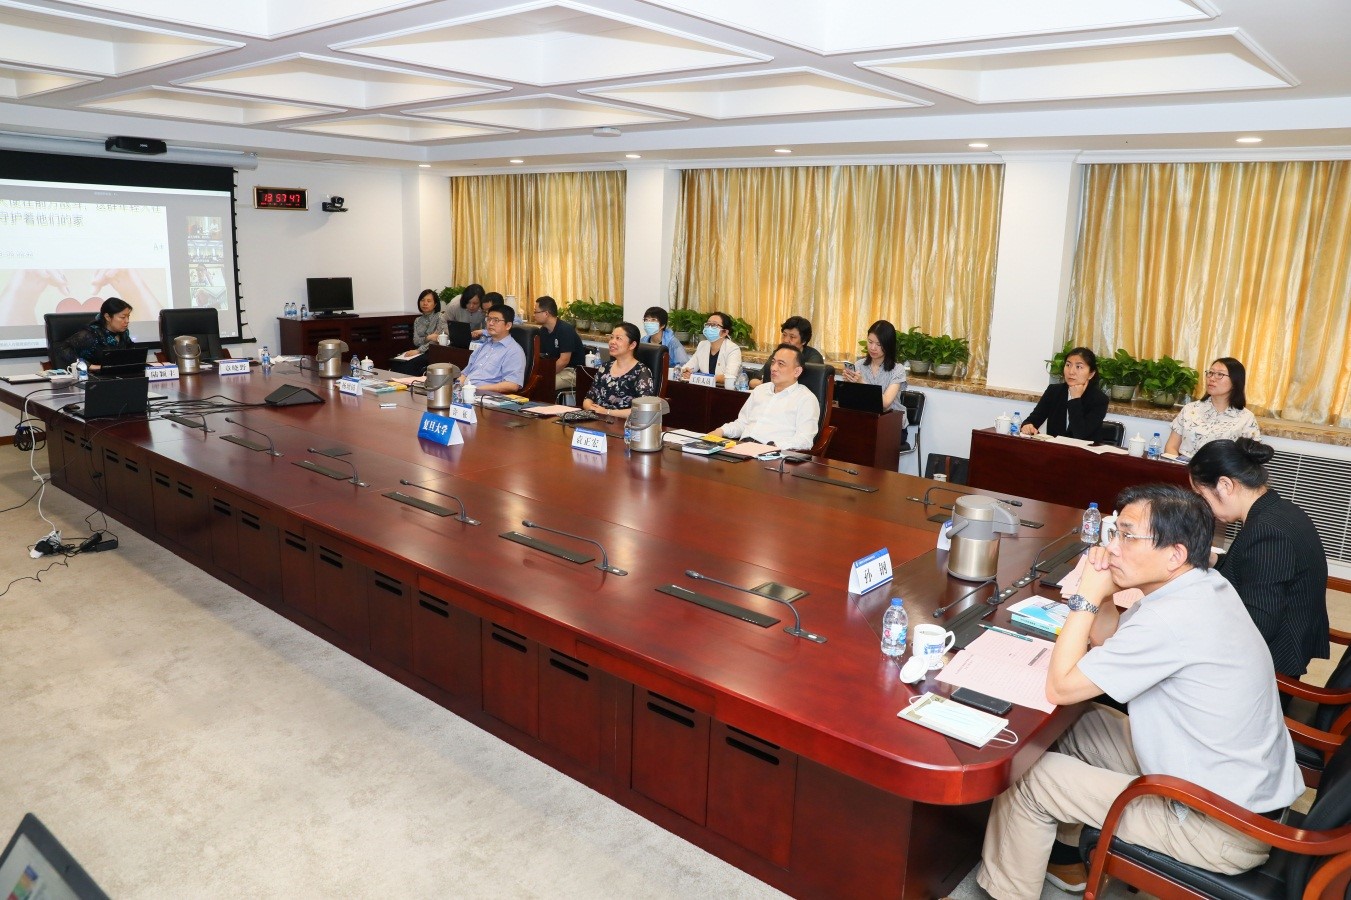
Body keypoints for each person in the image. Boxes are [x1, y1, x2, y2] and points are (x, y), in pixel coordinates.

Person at [973, 483, 1301, 899]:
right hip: (1226, 786)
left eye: (1128, 536)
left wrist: (1086, 598)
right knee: (1078, 724)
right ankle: (1068, 857)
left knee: (1030, 777)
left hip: (1217, 824)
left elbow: (1061, 687)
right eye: (1115, 532)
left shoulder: (1173, 618)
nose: (1112, 547)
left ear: (1174, 554)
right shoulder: (1201, 586)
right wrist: (1106, 598)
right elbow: (1111, 645)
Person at [1188, 438, 1328, 678]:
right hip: (1281, 642)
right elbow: (1251, 570)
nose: (1204, 506)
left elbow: (1258, 624)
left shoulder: (1266, 531)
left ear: (1225, 485)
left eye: (1202, 495)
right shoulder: (1279, 510)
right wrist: (1211, 559)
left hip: (1270, 667)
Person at [709, 344, 820, 450]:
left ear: (797, 371)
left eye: (781, 364)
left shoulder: (806, 399)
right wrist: (721, 431)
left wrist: (774, 446)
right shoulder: (760, 390)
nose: (773, 368)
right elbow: (742, 423)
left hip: (772, 454)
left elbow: (805, 440)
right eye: (773, 362)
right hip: (742, 447)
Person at [1166, 357, 1260, 458]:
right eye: (1210, 373)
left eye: (1220, 374)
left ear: (1235, 381)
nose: (1212, 378)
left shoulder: (1246, 418)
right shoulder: (1190, 409)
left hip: (1223, 468)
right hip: (1184, 466)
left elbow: (1252, 458)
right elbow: (1171, 447)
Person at [1020, 346, 1108, 439]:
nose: (1071, 372)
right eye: (1068, 365)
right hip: (1053, 447)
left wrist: (1075, 399)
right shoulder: (1054, 391)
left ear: (1091, 374)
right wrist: (1027, 426)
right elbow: (1032, 420)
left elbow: (1080, 435)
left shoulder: (1099, 400)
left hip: (1081, 448)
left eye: (1078, 367)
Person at [840, 319, 907, 425]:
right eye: (870, 342)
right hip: (867, 421)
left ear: (888, 345)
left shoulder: (898, 370)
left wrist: (861, 382)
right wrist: (848, 384)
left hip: (891, 424)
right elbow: (853, 401)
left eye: (878, 344)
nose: (872, 348)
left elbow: (885, 403)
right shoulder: (859, 365)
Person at [582, 323, 655, 420]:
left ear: (632, 345)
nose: (612, 342)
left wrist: (607, 412)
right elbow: (588, 398)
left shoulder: (641, 372)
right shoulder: (605, 367)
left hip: (624, 424)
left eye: (618, 338)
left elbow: (644, 410)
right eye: (611, 337)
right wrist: (592, 409)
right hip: (598, 420)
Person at [54, 297, 135, 369]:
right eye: (123, 317)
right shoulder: (91, 334)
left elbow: (130, 352)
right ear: (107, 317)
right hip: (95, 377)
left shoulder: (124, 333)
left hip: (119, 375)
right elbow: (62, 349)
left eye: (128, 316)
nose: (127, 321)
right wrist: (89, 366)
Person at [459, 306, 525, 393]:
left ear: (508, 325)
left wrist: (475, 389)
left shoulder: (514, 351)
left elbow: (512, 385)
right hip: (467, 392)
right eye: (489, 319)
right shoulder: (484, 345)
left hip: (486, 395)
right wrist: (457, 387)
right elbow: (465, 373)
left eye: (496, 320)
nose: (490, 323)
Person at [749, 316, 822, 388]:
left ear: (804, 341)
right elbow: (753, 381)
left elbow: (804, 386)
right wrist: (765, 385)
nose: (785, 340)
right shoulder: (779, 353)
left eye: (792, 337)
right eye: (784, 335)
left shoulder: (814, 359)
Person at [533, 295, 586, 392]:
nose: (534, 315)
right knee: (532, 381)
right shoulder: (542, 331)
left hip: (571, 371)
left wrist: (546, 375)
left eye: (536, 312)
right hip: (556, 369)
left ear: (546, 313)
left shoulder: (565, 330)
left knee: (544, 383)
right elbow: (541, 356)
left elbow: (564, 361)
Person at [387, 289, 444, 375]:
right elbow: (416, 341)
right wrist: (428, 338)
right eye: (422, 300)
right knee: (396, 362)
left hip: (433, 352)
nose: (425, 303)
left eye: (429, 301)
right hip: (418, 351)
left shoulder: (440, 317)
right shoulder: (417, 320)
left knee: (410, 365)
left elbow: (436, 341)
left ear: (435, 304)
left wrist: (419, 351)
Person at [679, 310, 742, 385]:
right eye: (708, 324)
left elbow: (729, 377)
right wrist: (686, 371)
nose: (709, 327)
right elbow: (689, 367)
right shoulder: (702, 345)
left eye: (714, 325)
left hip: (723, 389)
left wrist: (700, 378)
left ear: (725, 332)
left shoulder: (733, 349)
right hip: (704, 388)